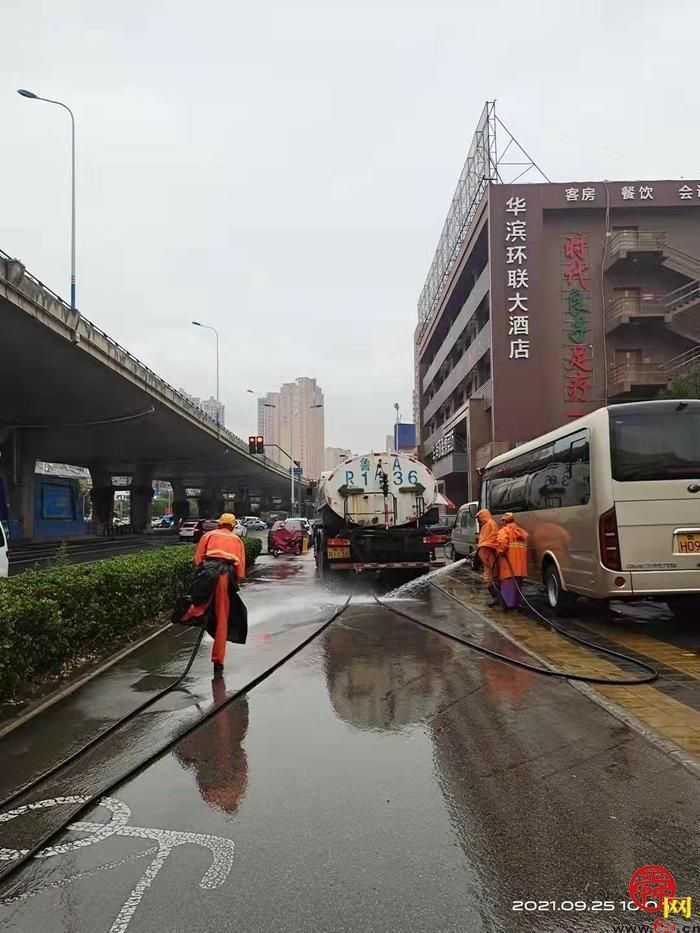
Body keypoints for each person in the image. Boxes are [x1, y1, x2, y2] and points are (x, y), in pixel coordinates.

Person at [182, 513, 247, 672]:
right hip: (225, 575)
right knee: (222, 617)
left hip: (207, 572)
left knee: (200, 602)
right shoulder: (237, 540)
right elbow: (240, 572)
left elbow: (198, 560)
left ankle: (189, 613)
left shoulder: (209, 535)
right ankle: (218, 660)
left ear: (219, 524)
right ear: (232, 526)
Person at [495, 512, 528, 610]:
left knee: (508, 586)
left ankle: (508, 605)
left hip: (508, 565)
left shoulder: (504, 531)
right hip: (520, 567)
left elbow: (502, 544)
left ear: (505, 521)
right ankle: (515, 604)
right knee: (517, 586)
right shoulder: (522, 532)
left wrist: (499, 552)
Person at [476, 508, 500, 593]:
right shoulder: (485, 525)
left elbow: (494, 536)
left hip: (490, 550)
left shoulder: (491, 524)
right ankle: (493, 589)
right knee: (489, 569)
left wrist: (484, 544)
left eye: (480, 517)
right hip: (485, 550)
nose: (480, 520)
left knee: (493, 569)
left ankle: (495, 591)